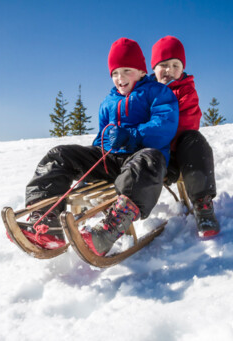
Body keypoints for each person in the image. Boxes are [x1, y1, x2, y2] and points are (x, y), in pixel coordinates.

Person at [19, 37, 179, 256]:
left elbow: (164, 126)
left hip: (141, 161)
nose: (119, 78)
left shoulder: (158, 93)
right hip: (110, 161)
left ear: (142, 71)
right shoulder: (108, 102)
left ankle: (108, 230)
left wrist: (131, 135)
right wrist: (96, 153)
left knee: (150, 159)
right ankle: (45, 221)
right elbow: (101, 139)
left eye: (126, 70)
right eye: (114, 73)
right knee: (59, 155)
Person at [149, 36, 220, 238]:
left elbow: (187, 122)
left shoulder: (186, 90)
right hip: (153, 154)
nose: (169, 70)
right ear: (153, 68)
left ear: (182, 68)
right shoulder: (145, 92)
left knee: (195, 140)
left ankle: (202, 203)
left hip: (179, 152)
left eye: (175, 65)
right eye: (163, 65)